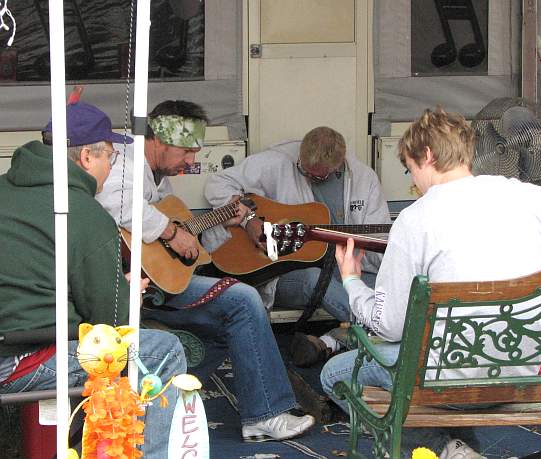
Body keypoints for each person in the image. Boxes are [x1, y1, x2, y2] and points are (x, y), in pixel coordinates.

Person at [320, 108, 541, 459]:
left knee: (335, 373)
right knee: (434, 358)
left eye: (410, 167)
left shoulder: (414, 219)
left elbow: (390, 325)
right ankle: (458, 448)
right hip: (520, 368)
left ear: (426, 156)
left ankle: (446, 447)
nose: (413, 178)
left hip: (448, 381)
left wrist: (352, 281)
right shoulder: (520, 194)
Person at [95, 100, 314, 441]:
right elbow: (116, 202)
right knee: (242, 300)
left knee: (230, 322)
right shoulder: (124, 164)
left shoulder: (160, 184)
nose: (191, 162)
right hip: (125, 285)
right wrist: (170, 232)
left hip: (157, 282)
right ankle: (266, 412)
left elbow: (188, 253)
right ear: (160, 142)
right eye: (186, 151)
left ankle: (165, 400)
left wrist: (219, 223)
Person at [0, 101, 187, 457]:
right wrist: (129, 293)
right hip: (24, 357)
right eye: (111, 158)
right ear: (87, 157)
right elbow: (109, 324)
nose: (111, 168)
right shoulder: (85, 215)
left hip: (11, 341)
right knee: (164, 350)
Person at [203, 127, 392, 365]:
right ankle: (386, 334)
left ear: (339, 165)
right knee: (314, 278)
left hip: (342, 269)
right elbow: (217, 184)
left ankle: (335, 339)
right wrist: (249, 220)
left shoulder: (364, 179)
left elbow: (380, 244)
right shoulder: (278, 162)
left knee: (387, 289)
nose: (310, 177)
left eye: (319, 176)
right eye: (304, 170)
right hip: (286, 275)